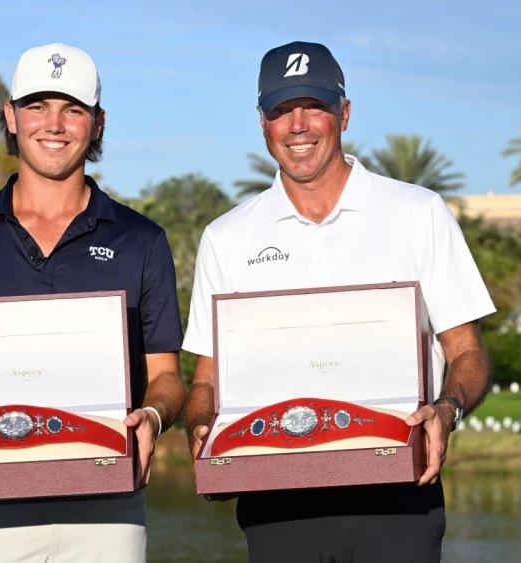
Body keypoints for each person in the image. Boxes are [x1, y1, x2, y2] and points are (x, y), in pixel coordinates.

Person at [183, 41, 495, 561]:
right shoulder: (227, 236)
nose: (298, 124)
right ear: (263, 122)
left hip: (400, 493)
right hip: (276, 499)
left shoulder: (418, 212)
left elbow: (468, 354)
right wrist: (202, 429)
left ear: (344, 114)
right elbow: (206, 382)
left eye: (315, 107)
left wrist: (448, 409)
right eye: (281, 110)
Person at [0, 43, 185, 562]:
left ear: (97, 123)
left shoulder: (142, 240)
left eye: (73, 109)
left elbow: (166, 375)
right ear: (10, 115)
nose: (54, 124)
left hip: (108, 514)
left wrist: (154, 418)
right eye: (37, 106)